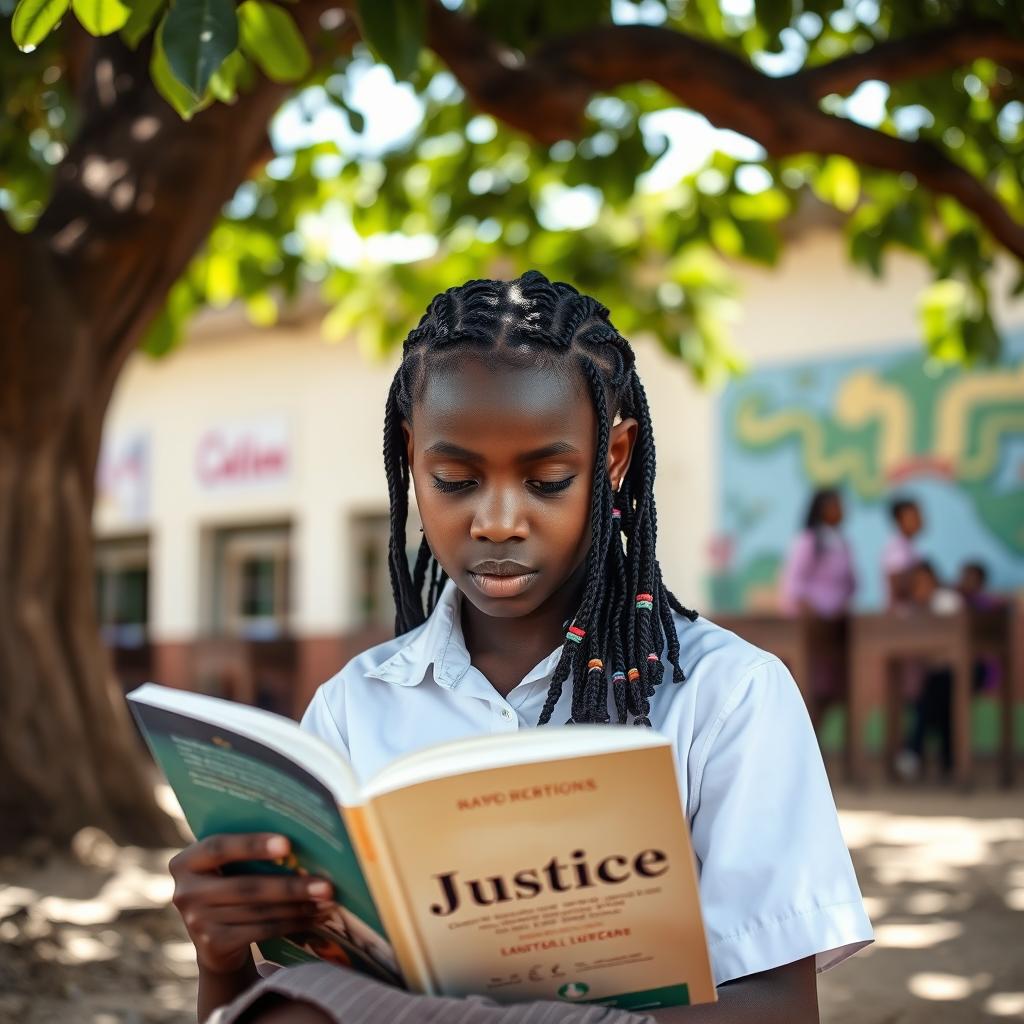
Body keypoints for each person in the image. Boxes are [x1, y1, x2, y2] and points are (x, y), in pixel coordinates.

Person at [169, 272, 873, 1024]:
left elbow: (780, 1009)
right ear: (411, 459)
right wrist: (222, 959)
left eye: (546, 480)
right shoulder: (354, 706)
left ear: (613, 458)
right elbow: (294, 996)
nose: (497, 521)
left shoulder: (726, 694)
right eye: (455, 480)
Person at [779, 488, 856, 617]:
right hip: (810, 617)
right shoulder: (808, 541)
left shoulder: (843, 543)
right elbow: (795, 580)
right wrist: (808, 609)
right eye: (836, 506)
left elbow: (850, 583)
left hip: (835, 617)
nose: (842, 510)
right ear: (822, 510)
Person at [881, 497, 923, 607]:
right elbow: (897, 583)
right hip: (902, 615)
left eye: (919, 515)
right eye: (913, 517)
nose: (918, 520)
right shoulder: (897, 548)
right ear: (899, 521)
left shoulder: (909, 546)